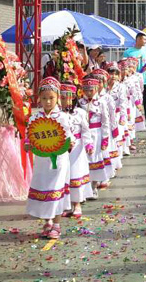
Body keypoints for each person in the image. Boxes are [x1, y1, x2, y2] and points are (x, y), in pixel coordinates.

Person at [25, 77, 73, 240]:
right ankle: (47, 222)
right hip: (41, 161)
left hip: (58, 161)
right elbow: (28, 135)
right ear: (39, 98)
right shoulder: (34, 118)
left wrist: (67, 144)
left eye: (51, 98)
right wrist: (28, 144)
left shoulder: (63, 117)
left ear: (58, 97)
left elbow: (69, 138)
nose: (47, 102)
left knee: (56, 189)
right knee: (44, 188)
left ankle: (57, 225)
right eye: (44, 98)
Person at [60, 82, 93, 218]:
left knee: (75, 175)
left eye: (68, 97)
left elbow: (85, 131)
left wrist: (88, 144)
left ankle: (77, 204)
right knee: (63, 177)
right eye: (61, 97)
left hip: (77, 149)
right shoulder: (57, 114)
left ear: (73, 97)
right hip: (61, 149)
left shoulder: (80, 113)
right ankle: (65, 205)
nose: (65, 100)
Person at [78, 77, 111, 199]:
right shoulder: (79, 103)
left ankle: (94, 186)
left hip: (97, 134)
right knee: (85, 161)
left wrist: (105, 139)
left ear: (96, 89)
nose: (88, 92)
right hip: (85, 135)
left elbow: (105, 121)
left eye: (91, 90)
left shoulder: (101, 102)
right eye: (86, 90)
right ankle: (84, 189)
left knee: (95, 159)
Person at [123, 33, 146, 132]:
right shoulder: (128, 52)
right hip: (133, 82)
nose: (145, 42)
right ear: (138, 39)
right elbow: (124, 65)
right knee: (133, 103)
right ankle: (133, 124)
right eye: (144, 39)